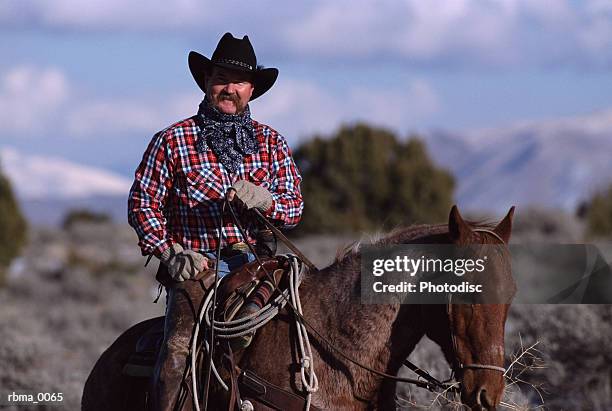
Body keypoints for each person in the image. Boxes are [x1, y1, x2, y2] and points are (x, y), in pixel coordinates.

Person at [127, 32, 303, 411]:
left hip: (261, 265)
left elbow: (294, 207)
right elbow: (143, 203)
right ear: (207, 81)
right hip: (198, 267)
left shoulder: (272, 143)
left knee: (310, 330)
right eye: (221, 78)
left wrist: (267, 201)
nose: (229, 88)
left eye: (238, 81)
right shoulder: (172, 141)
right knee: (176, 357)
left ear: (251, 90)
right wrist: (170, 251)